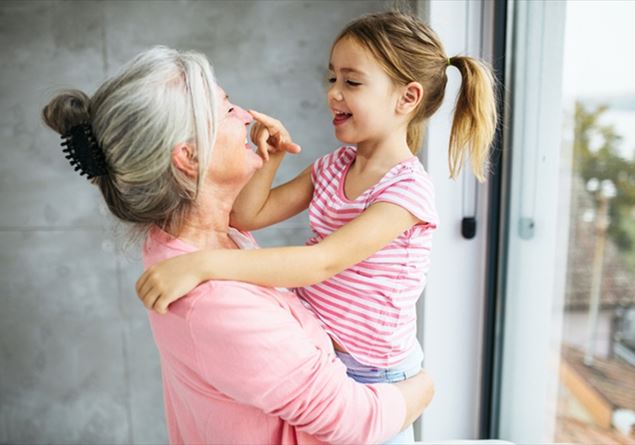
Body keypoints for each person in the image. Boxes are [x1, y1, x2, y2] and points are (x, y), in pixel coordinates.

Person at [41, 46, 435, 444]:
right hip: (378, 399)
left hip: (375, 369)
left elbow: (249, 220)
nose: (246, 116)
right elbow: (351, 420)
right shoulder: (212, 298)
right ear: (189, 158)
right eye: (228, 109)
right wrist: (425, 389)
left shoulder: (197, 239)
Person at [138, 10, 497, 443]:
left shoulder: (406, 191)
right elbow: (248, 216)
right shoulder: (332, 167)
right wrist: (270, 160)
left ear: (407, 98)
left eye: (352, 82)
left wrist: (202, 265)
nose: (334, 94)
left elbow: (321, 262)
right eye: (332, 79)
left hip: (376, 372)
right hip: (323, 356)